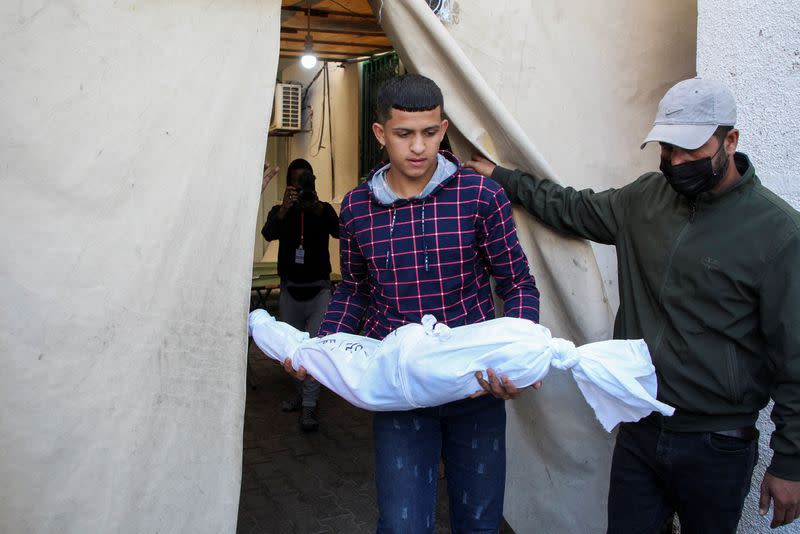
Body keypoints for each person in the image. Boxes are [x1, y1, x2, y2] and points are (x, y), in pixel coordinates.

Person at [467, 76, 800, 533]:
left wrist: (791, 462)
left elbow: (795, 358)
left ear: (731, 140)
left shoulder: (778, 233)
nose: (677, 161)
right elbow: (572, 208)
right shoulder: (645, 199)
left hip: (717, 444)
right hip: (640, 428)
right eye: (668, 149)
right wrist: (502, 177)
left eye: (691, 150)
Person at [285, 73, 540, 532]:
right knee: (402, 525)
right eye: (404, 134)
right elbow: (355, 288)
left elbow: (518, 283)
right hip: (398, 390)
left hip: (474, 385)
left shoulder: (481, 196)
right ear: (381, 134)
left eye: (429, 132)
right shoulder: (357, 207)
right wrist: (322, 349)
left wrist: (518, 359)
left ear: (443, 129)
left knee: (479, 524)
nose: (418, 147)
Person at [262, 158, 339, 432]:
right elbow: (268, 233)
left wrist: (317, 206)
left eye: (306, 180)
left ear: (314, 182)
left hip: (318, 290)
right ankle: (300, 395)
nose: (302, 185)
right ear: (288, 185)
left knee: (314, 351)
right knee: (293, 351)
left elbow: (340, 230)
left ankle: (308, 406)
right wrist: (284, 208)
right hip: (290, 290)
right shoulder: (281, 211)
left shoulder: (323, 210)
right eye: (297, 181)